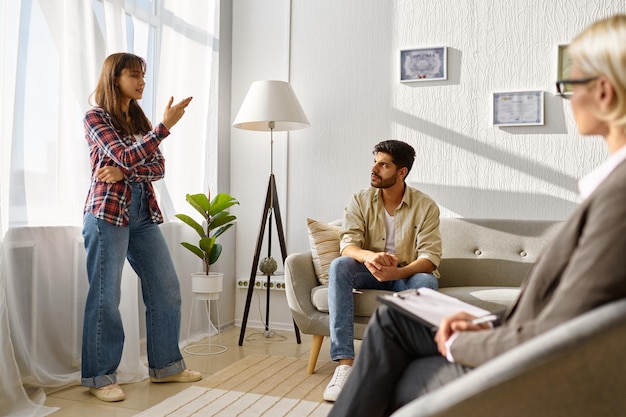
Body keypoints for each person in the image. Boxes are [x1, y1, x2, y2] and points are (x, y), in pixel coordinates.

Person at [328, 14, 626, 417]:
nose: (567, 97)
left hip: (534, 360)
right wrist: (486, 322)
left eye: (570, 85)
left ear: (605, 92)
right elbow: (561, 308)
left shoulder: (616, 198)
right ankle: (344, 364)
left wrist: (462, 341)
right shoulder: (610, 190)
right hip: (519, 332)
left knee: (402, 316)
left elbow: (559, 329)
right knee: (381, 309)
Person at [81, 53, 201, 402]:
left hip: (142, 212)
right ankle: (100, 376)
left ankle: (166, 367)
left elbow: (157, 166)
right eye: (134, 75)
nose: (142, 82)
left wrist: (125, 170)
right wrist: (162, 129)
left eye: (143, 76)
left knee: (166, 287)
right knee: (106, 297)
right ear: (113, 78)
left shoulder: (136, 118)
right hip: (106, 213)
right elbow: (127, 154)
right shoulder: (95, 117)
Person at [324, 139, 442, 402]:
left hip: (405, 275)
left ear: (402, 172)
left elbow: (430, 256)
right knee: (339, 265)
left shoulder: (426, 206)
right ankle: (344, 364)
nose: (374, 169)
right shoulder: (360, 199)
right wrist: (371, 257)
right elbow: (347, 244)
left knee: (426, 281)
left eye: (384, 165)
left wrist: (398, 273)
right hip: (370, 271)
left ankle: (406, 366)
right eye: (375, 162)